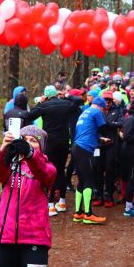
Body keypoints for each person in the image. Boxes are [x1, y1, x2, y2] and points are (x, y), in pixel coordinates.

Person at [0, 125, 56, 267]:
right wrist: (3, 151)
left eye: (33, 141)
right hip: (6, 237)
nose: (27, 143)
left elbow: (44, 173)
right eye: (24, 140)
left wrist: (30, 154)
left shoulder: (48, 167)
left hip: (35, 239)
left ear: (41, 147)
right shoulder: (11, 165)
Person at [27, 85, 76, 217]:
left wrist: (40, 103)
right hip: (65, 142)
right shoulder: (66, 104)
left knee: (50, 170)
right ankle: (62, 202)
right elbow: (76, 103)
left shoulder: (44, 105)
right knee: (61, 170)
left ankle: (50, 205)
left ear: (46, 95)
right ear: (56, 93)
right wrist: (66, 95)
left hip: (51, 142)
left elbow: (29, 115)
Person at [72, 97, 109, 224]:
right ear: (101, 106)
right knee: (89, 179)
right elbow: (103, 127)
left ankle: (78, 213)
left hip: (76, 147)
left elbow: (87, 131)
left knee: (82, 180)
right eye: (104, 108)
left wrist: (100, 139)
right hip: (85, 149)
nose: (104, 111)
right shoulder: (96, 112)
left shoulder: (85, 112)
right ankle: (88, 214)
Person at [93, 91, 123, 207]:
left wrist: (107, 123)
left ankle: (108, 195)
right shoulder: (96, 110)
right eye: (105, 101)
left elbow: (121, 123)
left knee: (110, 169)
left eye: (109, 101)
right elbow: (94, 125)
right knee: (97, 169)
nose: (107, 103)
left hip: (112, 143)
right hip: (99, 143)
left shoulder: (117, 110)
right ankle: (98, 194)